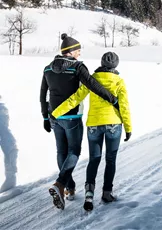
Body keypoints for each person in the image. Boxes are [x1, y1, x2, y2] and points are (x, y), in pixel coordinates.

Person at [40, 34, 118, 210]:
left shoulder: (47, 68)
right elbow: (91, 84)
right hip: (72, 117)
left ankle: (69, 187)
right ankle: (60, 184)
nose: (79, 53)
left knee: (61, 151)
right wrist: (111, 98)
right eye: (78, 50)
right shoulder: (77, 67)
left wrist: (45, 116)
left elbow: (43, 93)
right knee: (74, 150)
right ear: (71, 51)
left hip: (54, 117)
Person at [52, 52, 131, 212]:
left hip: (93, 125)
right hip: (114, 124)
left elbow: (75, 98)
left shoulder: (91, 79)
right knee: (110, 160)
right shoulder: (119, 81)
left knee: (94, 159)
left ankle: (89, 195)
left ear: (101, 63)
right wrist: (128, 128)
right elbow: (124, 106)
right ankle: (107, 194)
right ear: (116, 65)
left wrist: (55, 113)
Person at [0, 95, 18, 193]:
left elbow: (3, 126)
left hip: (9, 145)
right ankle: (10, 179)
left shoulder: (1, 109)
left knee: (9, 151)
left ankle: (10, 179)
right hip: (9, 145)